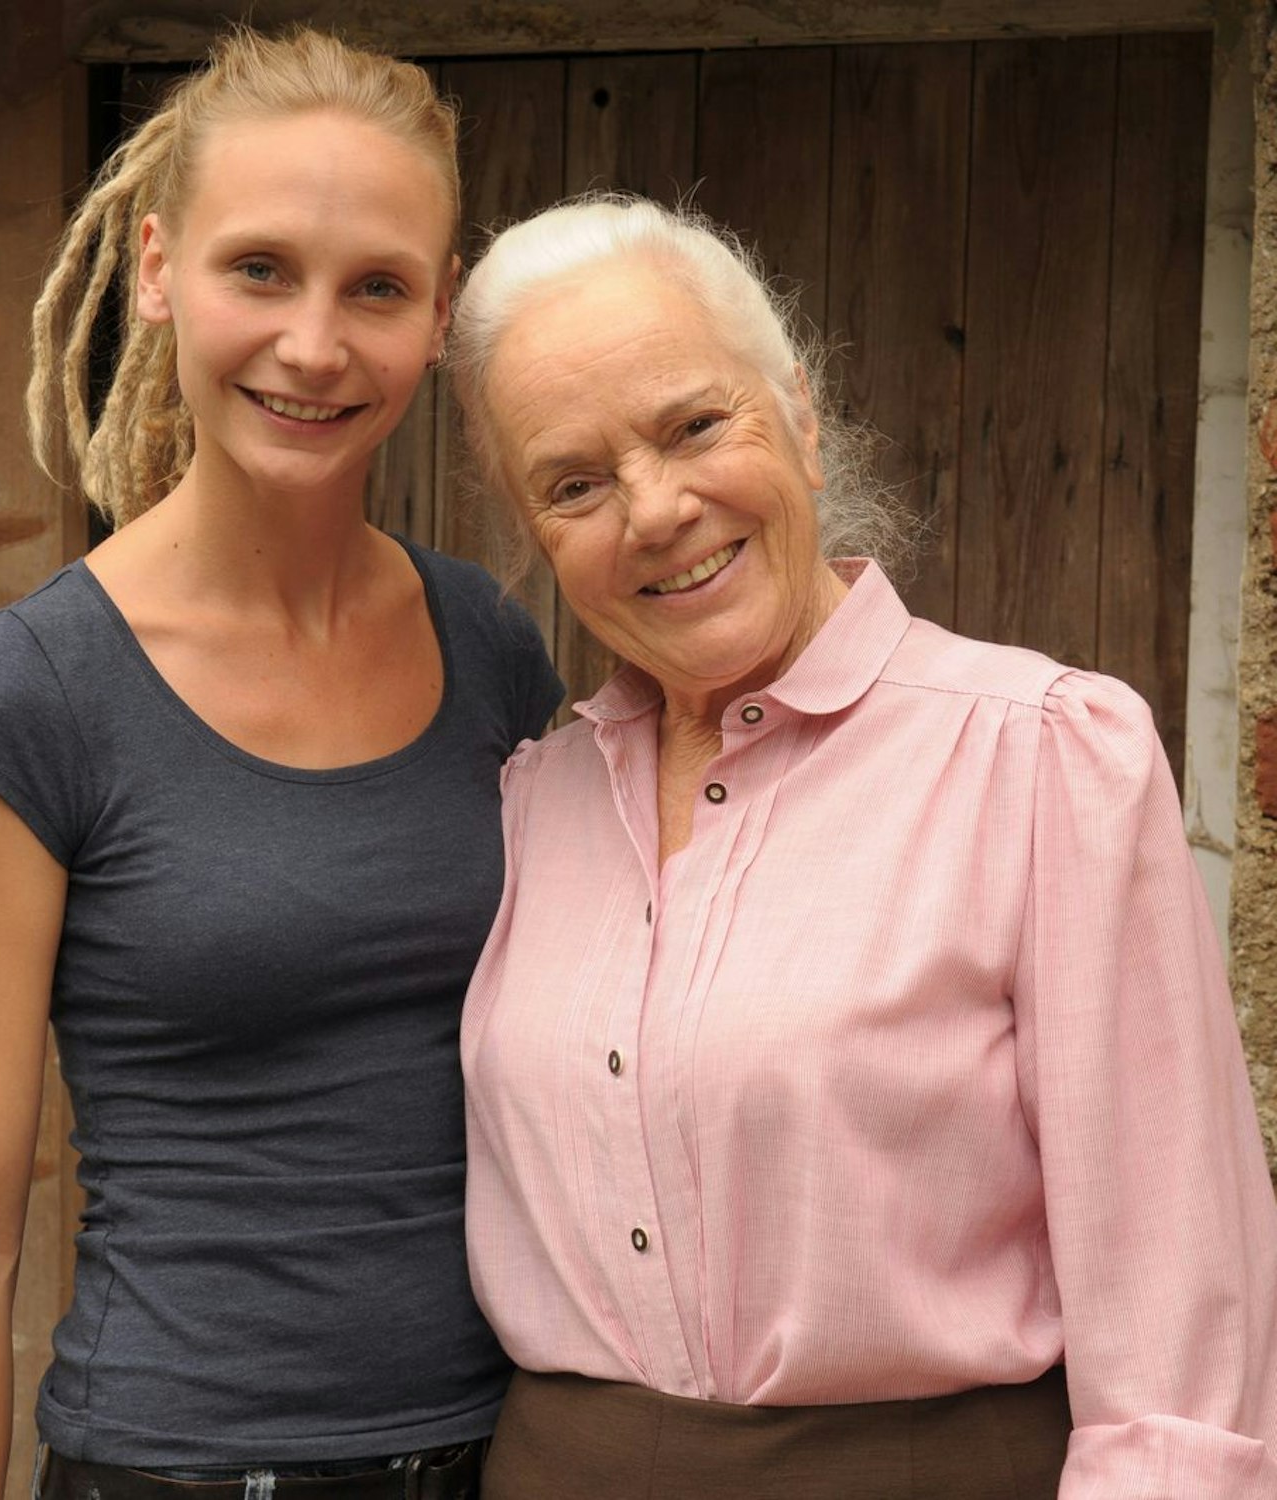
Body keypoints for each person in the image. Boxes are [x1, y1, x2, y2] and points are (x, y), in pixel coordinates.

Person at [447, 192, 1277, 1498]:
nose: (655, 509)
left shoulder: (1044, 758)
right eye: (576, 483)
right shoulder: (530, 802)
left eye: (694, 426)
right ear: (535, 533)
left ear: (805, 419)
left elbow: (1177, 1340)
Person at [0, 27, 565, 1500]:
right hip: (183, 1470)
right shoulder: (40, 694)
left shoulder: (495, 650)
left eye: (375, 287)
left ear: (440, 313)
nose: (314, 345)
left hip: (509, 1453)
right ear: (154, 270)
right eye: (259, 268)